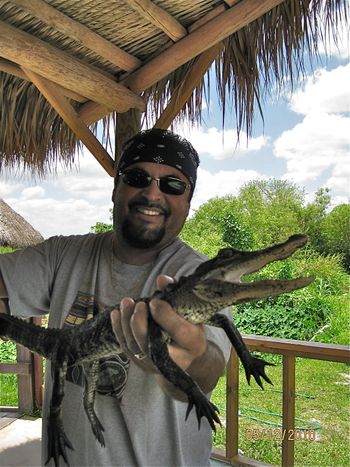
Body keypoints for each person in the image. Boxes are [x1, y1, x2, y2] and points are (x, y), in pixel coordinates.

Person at [0, 129, 231, 466]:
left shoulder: (196, 276)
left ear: (188, 201)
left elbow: (206, 367)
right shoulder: (63, 253)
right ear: (116, 188)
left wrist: (194, 362)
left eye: (172, 184)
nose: (153, 193)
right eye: (138, 177)